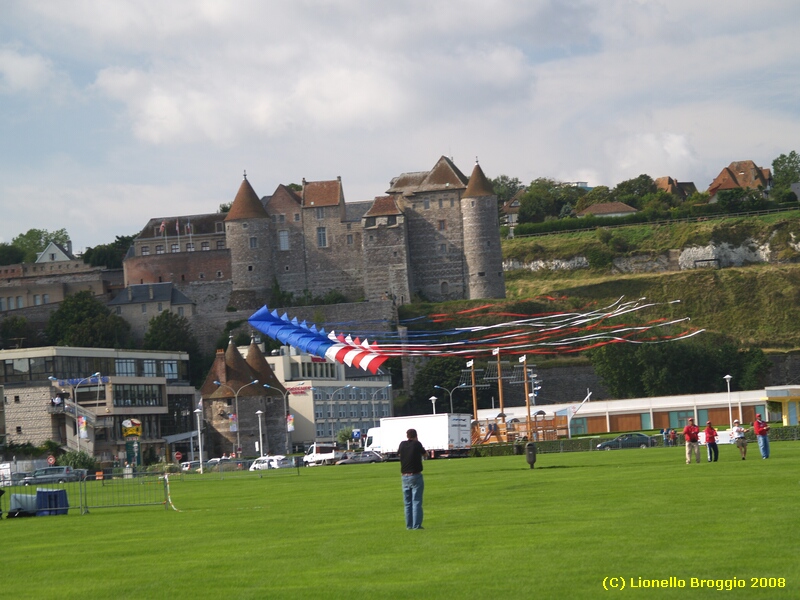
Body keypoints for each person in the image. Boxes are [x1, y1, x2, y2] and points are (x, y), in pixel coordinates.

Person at [398, 428, 426, 530]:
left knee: (407, 503)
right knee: (416, 501)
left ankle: (409, 525)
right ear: (416, 435)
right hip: (415, 475)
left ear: (407, 436)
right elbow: (425, 454)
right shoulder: (417, 444)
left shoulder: (402, 444)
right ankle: (416, 525)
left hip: (404, 476)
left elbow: (400, 454)